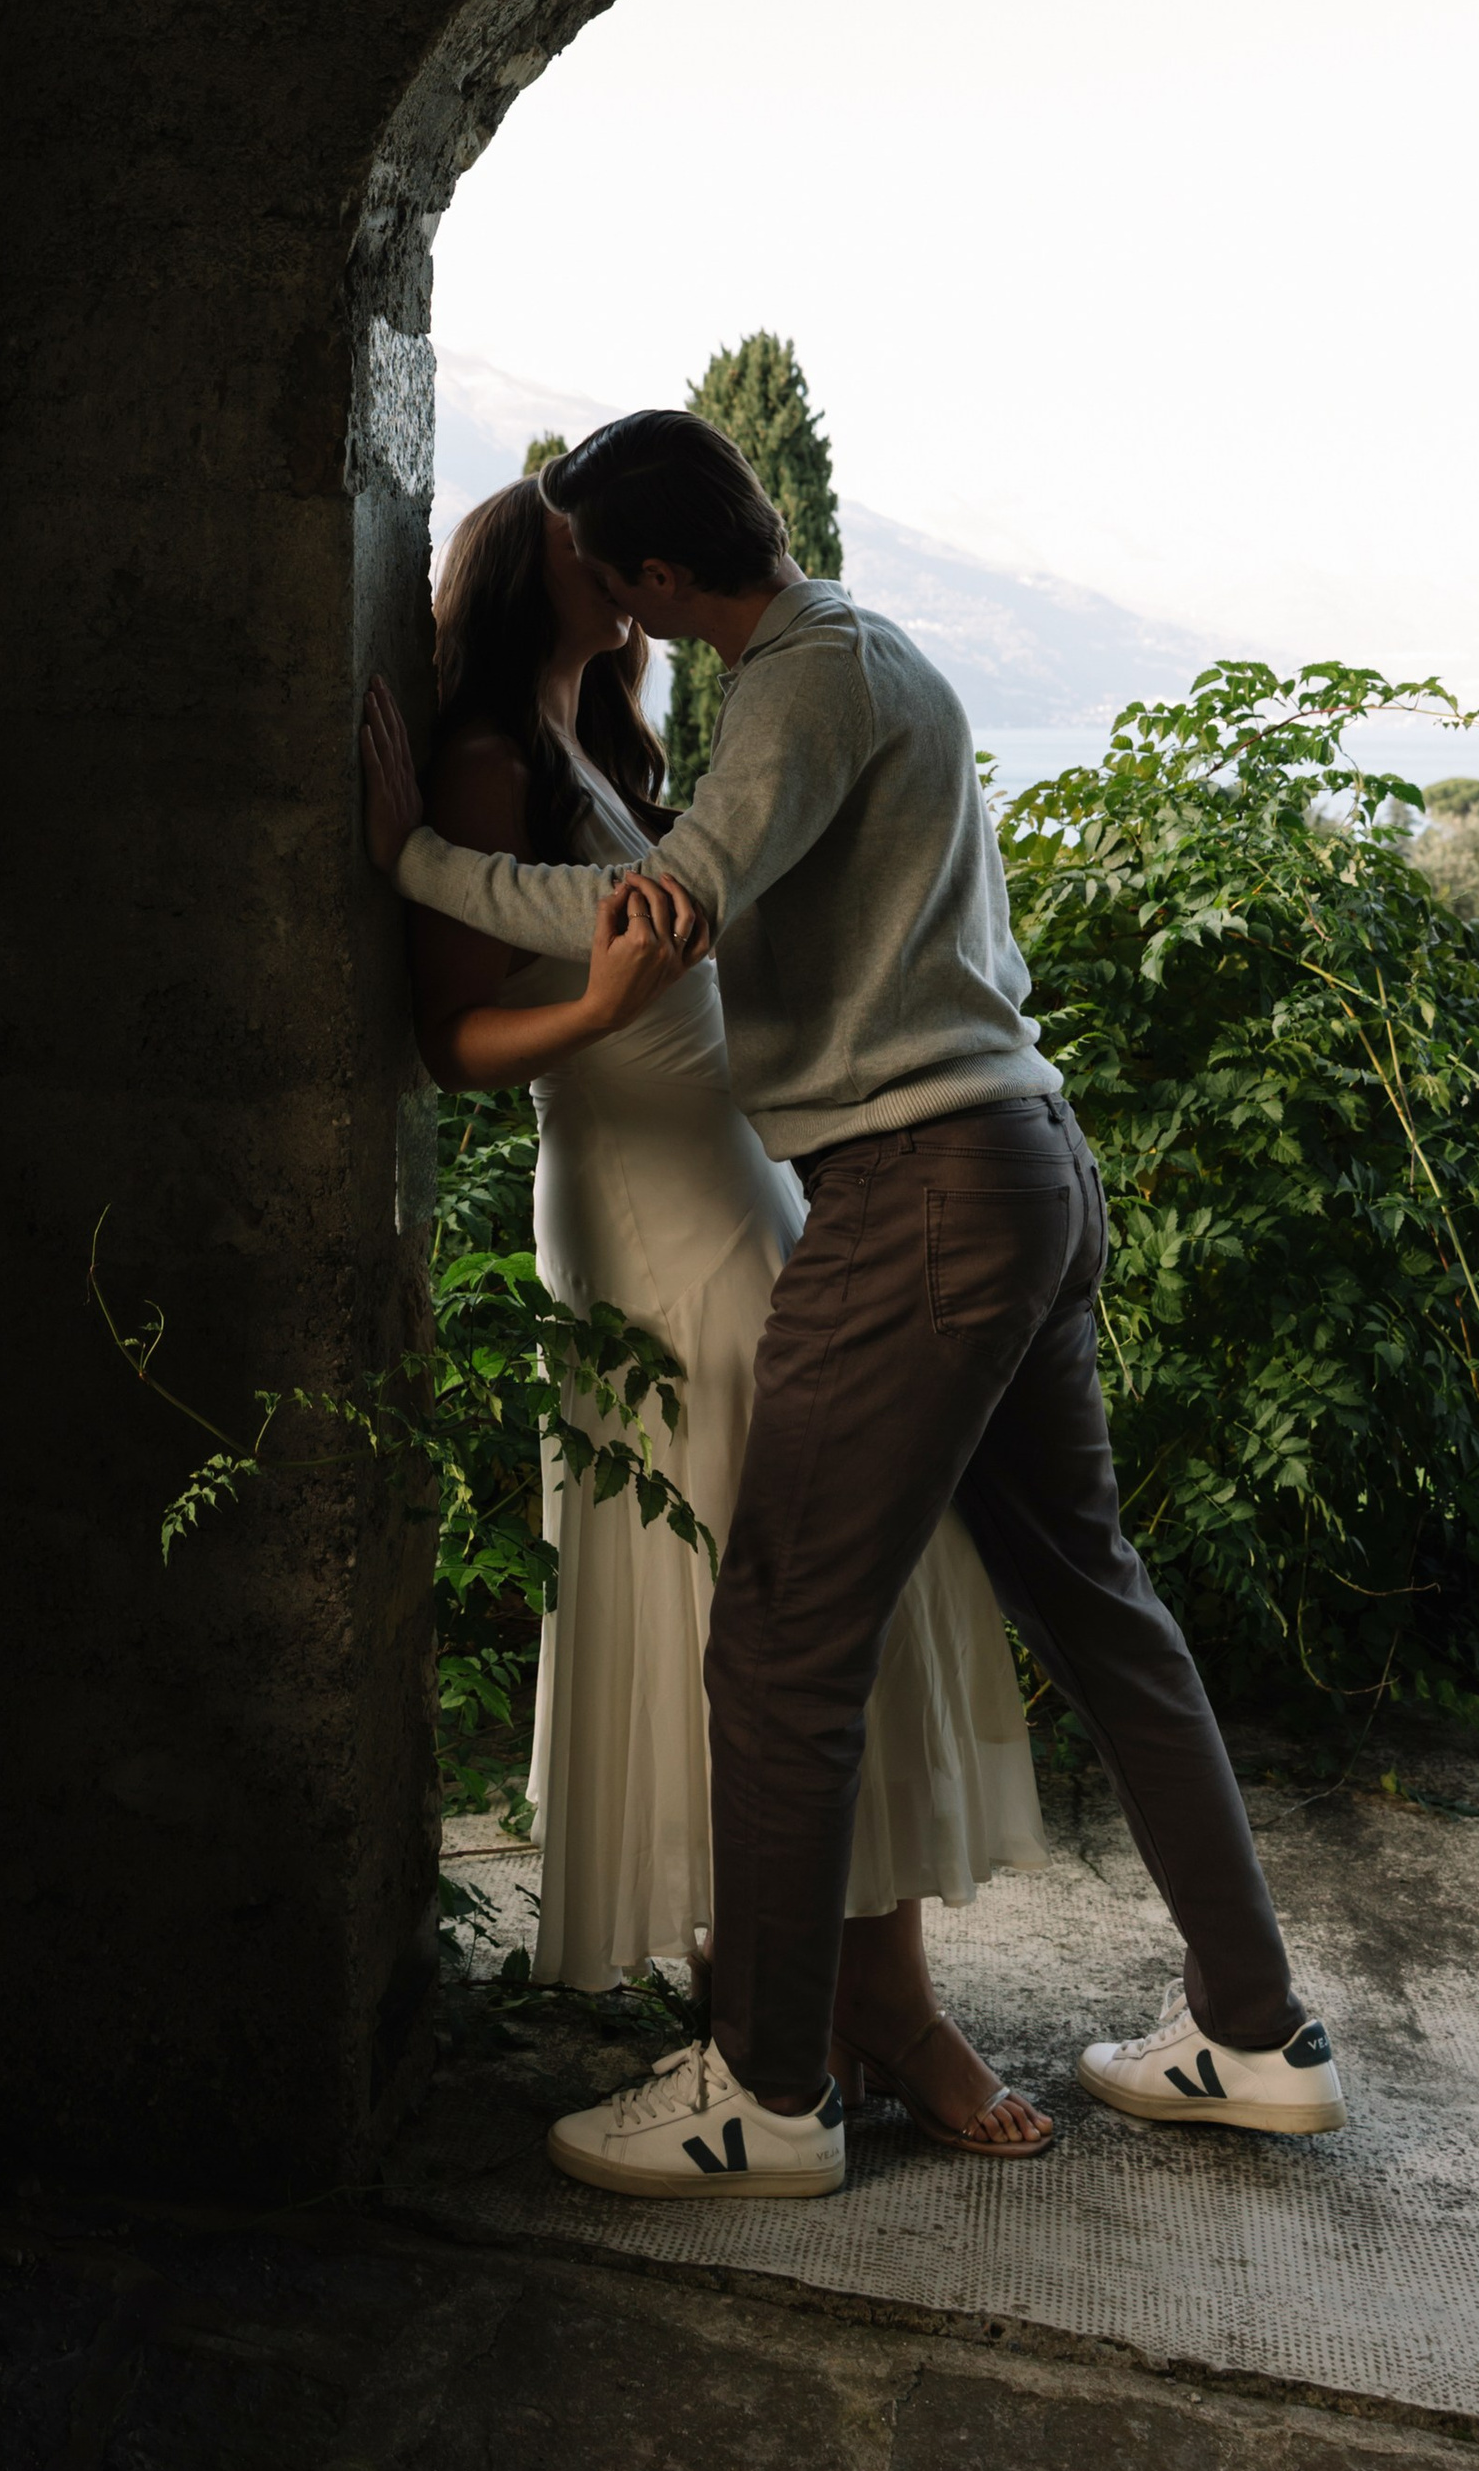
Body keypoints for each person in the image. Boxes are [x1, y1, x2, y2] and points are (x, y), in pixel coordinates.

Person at [364, 413, 1347, 2200]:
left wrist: (412, 860)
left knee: (784, 1648)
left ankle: (770, 2095)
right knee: (1094, 1605)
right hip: (1017, 1161)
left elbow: (663, 906)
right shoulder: (866, 652)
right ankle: (1258, 2032)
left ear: (665, 573)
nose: (612, 599)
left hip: (921, 1193)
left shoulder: (801, 688)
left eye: (616, 568)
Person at [390, 476, 1053, 2168]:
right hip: (642, 1224)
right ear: (538, 573)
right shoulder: (488, 764)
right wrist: (598, 1001)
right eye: (580, 545)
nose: (619, 573)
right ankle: (823, 2014)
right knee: (737, 1615)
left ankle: (855, 2004)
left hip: (747, 1202)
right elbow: (446, 1043)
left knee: (817, 1617)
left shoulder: (620, 744)